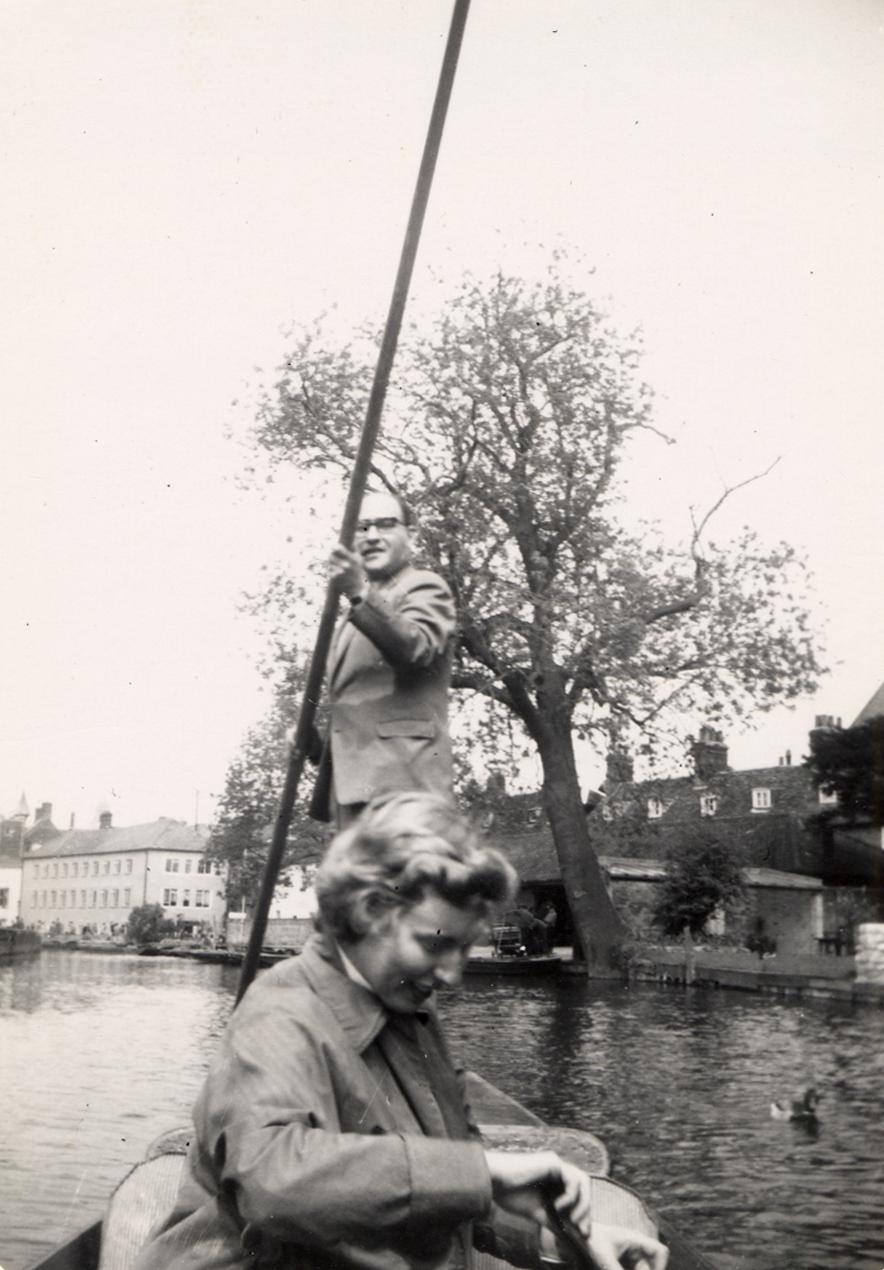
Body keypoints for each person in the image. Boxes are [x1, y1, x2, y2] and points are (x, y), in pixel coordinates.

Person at [134, 793, 668, 1270]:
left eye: (463, 947)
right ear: (370, 912)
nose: (453, 972)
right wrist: (482, 1171)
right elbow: (272, 1182)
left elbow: (447, 1192)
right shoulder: (280, 1015)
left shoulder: (414, 1015)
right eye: (436, 944)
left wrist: (566, 1246)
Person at [310, 489, 457, 827]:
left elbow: (415, 647)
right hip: (355, 801)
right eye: (362, 528)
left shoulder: (425, 587)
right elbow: (359, 724)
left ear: (411, 535)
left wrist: (359, 593)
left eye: (385, 525)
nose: (372, 536)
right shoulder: (351, 621)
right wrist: (314, 746)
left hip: (406, 793)